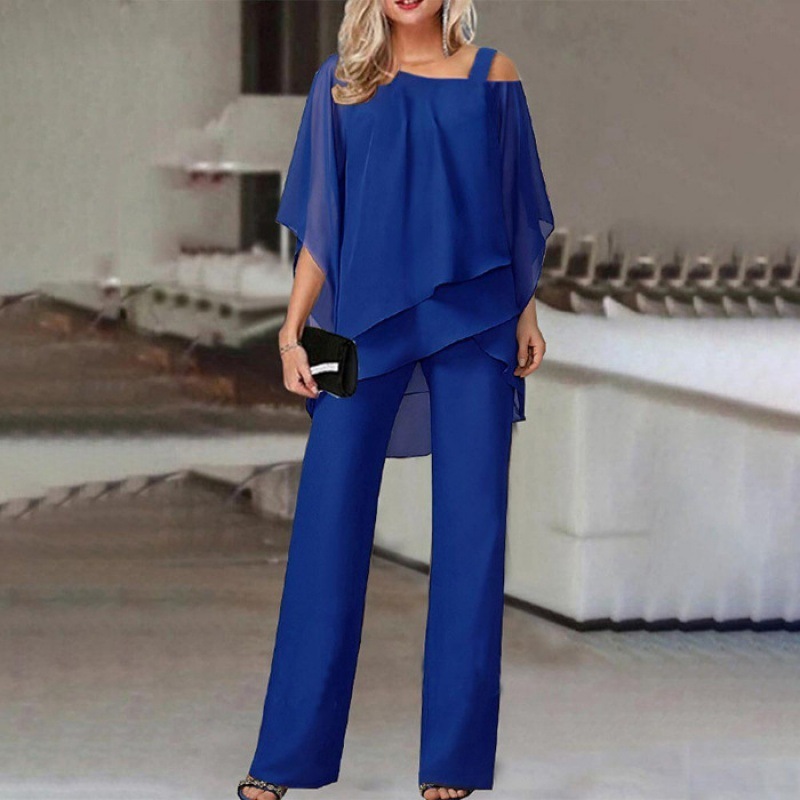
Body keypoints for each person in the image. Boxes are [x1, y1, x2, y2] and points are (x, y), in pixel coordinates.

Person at [237, 1, 554, 798]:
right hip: (359, 327)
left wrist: (526, 313)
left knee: (473, 539)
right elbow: (321, 226)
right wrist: (292, 329)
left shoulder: (494, 75)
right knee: (325, 529)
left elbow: (517, 207)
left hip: (477, 322)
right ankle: (285, 759)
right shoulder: (340, 84)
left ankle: (453, 762)